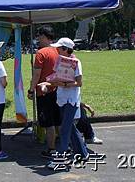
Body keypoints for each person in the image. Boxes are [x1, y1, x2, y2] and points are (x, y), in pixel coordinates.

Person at [37, 38, 89, 170]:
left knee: (65, 130)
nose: (57, 50)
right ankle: (83, 154)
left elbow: (79, 83)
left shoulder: (76, 62)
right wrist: (47, 83)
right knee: (70, 128)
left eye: (60, 48)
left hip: (71, 100)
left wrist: (64, 84)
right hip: (61, 99)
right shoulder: (60, 61)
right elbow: (56, 79)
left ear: (66, 49)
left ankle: (61, 159)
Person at [28, 26, 61, 158]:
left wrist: (31, 90)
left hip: (44, 91)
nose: (38, 39)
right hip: (59, 89)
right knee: (59, 121)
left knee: (49, 123)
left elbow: (36, 75)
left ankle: (51, 149)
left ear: (44, 37)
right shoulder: (59, 50)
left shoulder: (41, 53)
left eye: (39, 36)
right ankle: (66, 146)